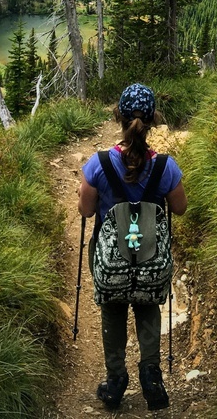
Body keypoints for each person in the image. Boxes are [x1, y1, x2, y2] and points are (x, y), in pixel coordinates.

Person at [79, 83, 188, 412]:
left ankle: (115, 382)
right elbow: (180, 208)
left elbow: (85, 211)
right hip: (151, 257)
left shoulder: (98, 164)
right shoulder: (165, 166)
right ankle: (151, 377)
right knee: (148, 306)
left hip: (112, 261)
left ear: (118, 117)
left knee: (113, 309)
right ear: (154, 119)